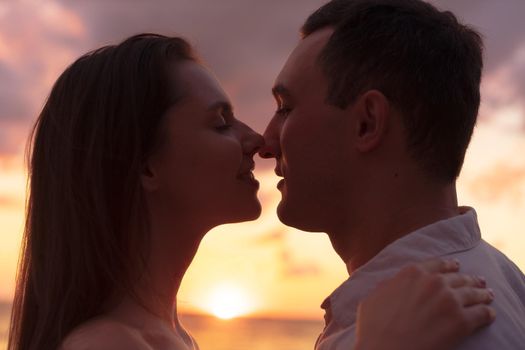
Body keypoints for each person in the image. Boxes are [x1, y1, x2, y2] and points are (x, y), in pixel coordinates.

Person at [8, 34, 494, 350]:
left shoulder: (167, 337)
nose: (258, 141)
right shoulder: (108, 346)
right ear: (145, 165)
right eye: (220, 123)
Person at [259, 0, 525, 349]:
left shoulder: (449, 330)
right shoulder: (506, 283)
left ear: (367, 122)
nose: (264, 142)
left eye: (285, 108)